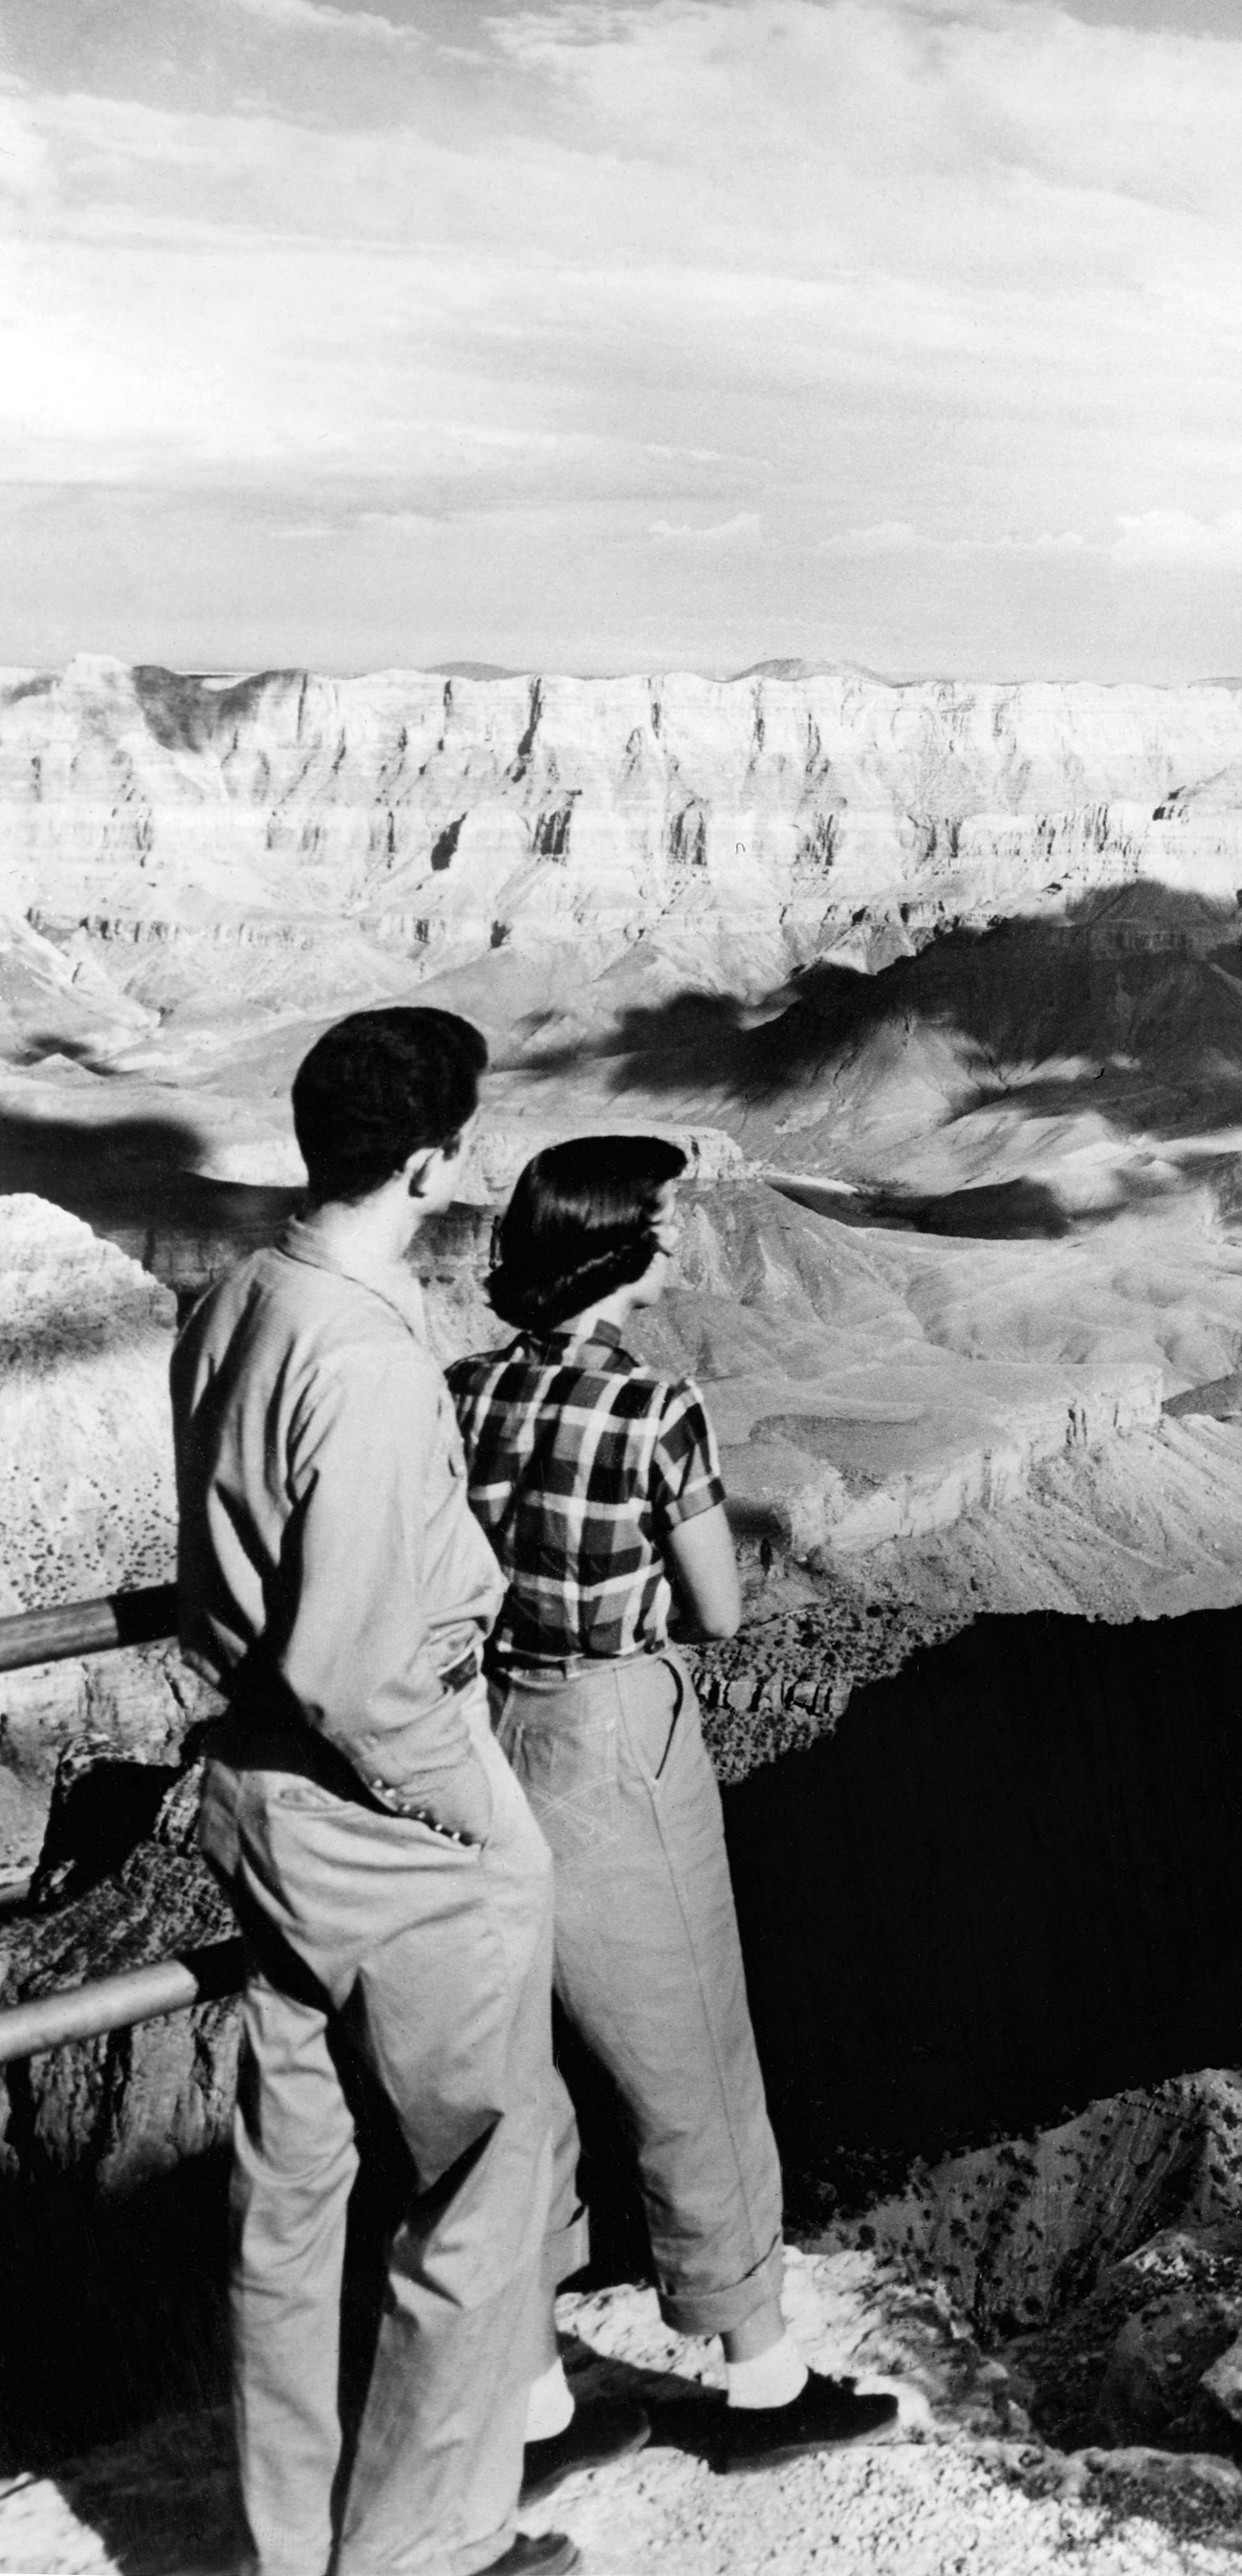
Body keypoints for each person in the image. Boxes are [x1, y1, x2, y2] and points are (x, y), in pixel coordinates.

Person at [172, 1007, 577, 2576]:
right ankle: (428, 2551)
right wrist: (472, 1819)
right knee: (483, 2191)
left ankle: (289, 2546)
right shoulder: (367, 1365)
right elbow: (356, 1666)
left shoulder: (235, 1300)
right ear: (430, 1158)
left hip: (262, 1804)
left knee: (290, 2198)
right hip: (386, 1812)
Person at [447, 1136, 899, 2479]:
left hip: (479, 1738)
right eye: (664, 1220)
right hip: (610, 1739)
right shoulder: (653, 1409)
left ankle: (534, 2412)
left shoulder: (459, 1393)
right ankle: (762, 2381)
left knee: (509, 2073)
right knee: (690, 2057)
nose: (683, 1238)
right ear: (619, 1251)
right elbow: (715, 1606)